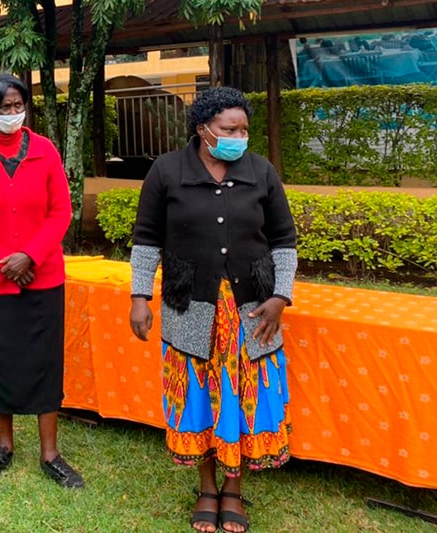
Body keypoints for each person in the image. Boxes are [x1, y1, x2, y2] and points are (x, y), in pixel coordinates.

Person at [127, 86, 297, 533]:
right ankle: (207, 486)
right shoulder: (167, 171)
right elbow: (146, 239)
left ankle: (234, 489)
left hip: (253, 310)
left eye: (244, 129)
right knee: (199, 394)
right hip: (190, 307)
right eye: (229, 129)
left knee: (244, 395)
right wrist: (139, 297)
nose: (239, 136)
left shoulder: (261, 172)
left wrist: (280, 297)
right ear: (203, 129)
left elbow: (283, 240)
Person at [0, 73, 82, 488]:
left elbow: (60, 212)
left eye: (18, 105)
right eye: (4, 107)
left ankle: (50, 452)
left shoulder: (44, 150)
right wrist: (3, 260)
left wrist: (31, 255)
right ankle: (3, 444)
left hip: (42, 276)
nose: (13, 113)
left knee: (44, 361)